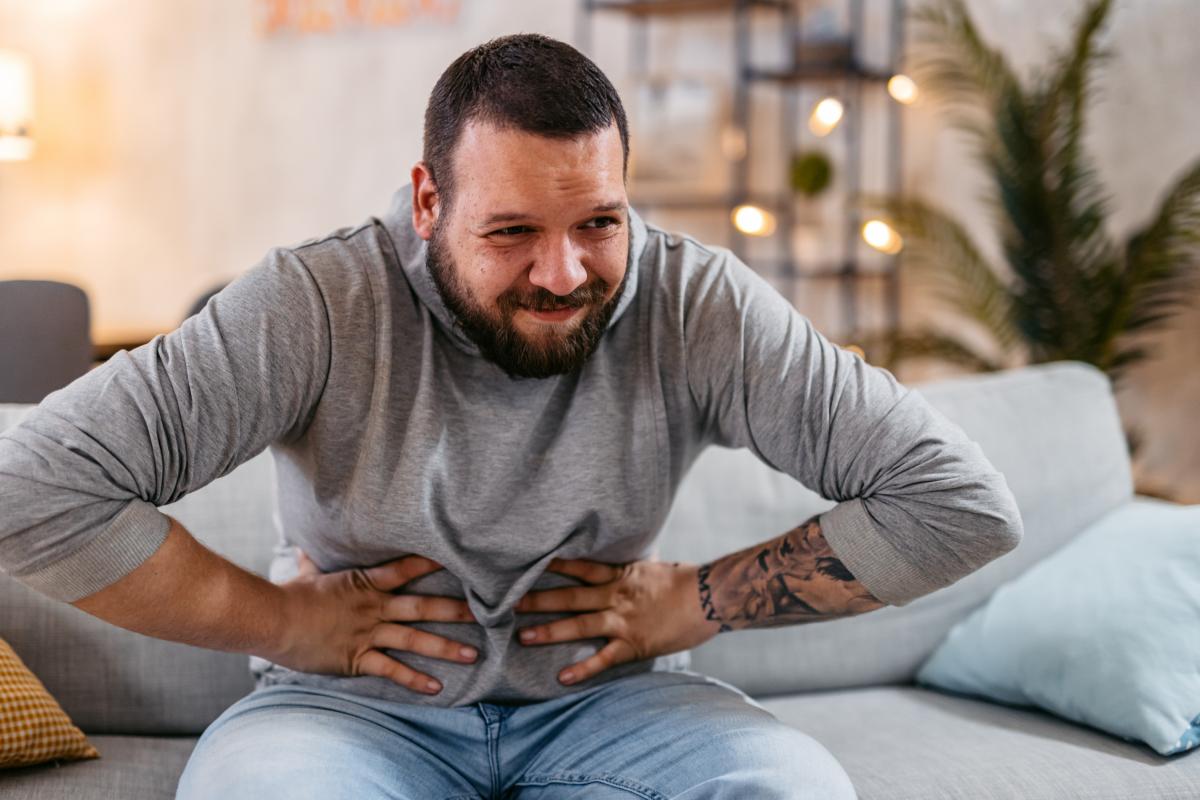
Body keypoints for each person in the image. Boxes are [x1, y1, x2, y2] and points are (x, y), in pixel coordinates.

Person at [0, 34, 1022, 799]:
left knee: (795, 786)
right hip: (345, 718)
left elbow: (962, 502)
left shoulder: (696, 301)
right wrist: (288, 621)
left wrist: (698, 598)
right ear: (429, 201)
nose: (565, 272)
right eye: (514, 231)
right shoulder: (315, 301)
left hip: (617, 707)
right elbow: (29, 487)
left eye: (598, 223)